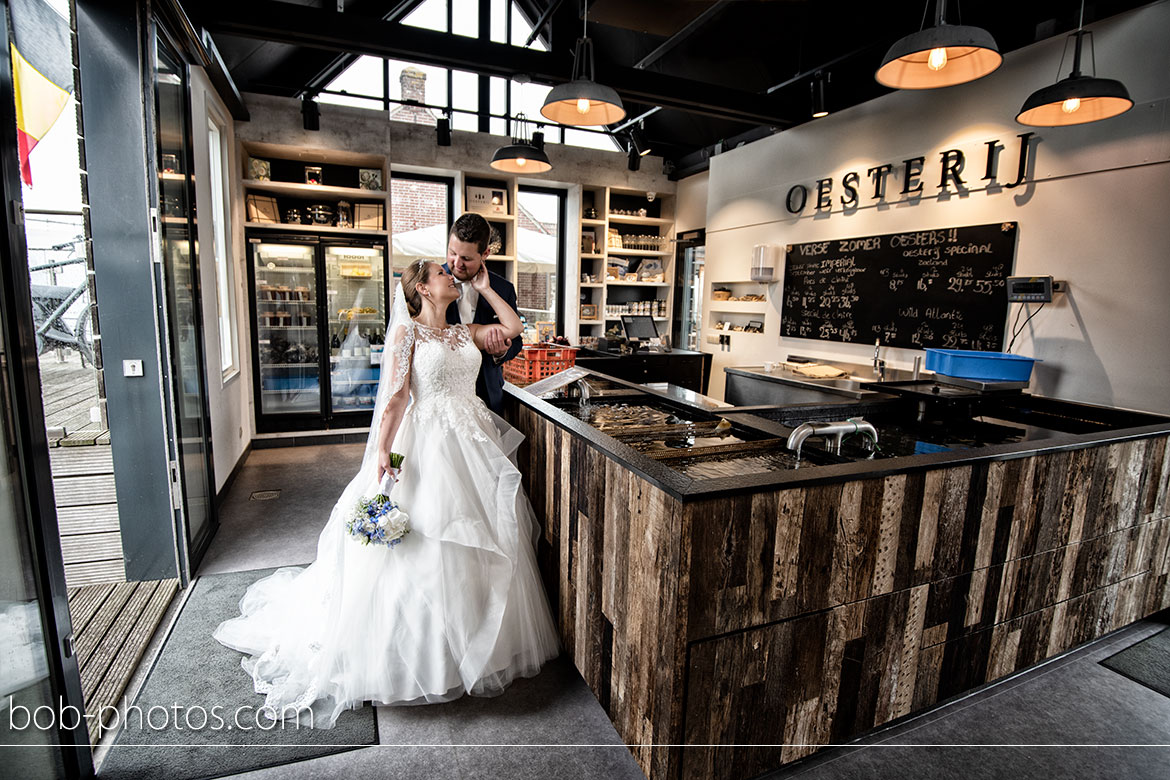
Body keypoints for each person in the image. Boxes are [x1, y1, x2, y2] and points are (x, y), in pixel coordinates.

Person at [213, 258, 559, 728]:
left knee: (484, 535)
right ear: (422, 287)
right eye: (442, 272)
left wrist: (485, 284)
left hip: (472, 442)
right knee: (428, 540)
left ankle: (476, 643)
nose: (449, 276)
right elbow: (395, 397)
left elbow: (514, 327)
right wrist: (383, 452)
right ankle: (419, 658)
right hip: (427, 444)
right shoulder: (407, 335)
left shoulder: (465, 332)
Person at [443, 213, 523, 413]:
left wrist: (501, 352)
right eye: (452, 253)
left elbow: (518, 340)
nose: (457, 263)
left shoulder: (503, 289)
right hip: (444, 394)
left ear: (485, 254)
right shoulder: (432, 282)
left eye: (467, 258)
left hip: (487, 394)